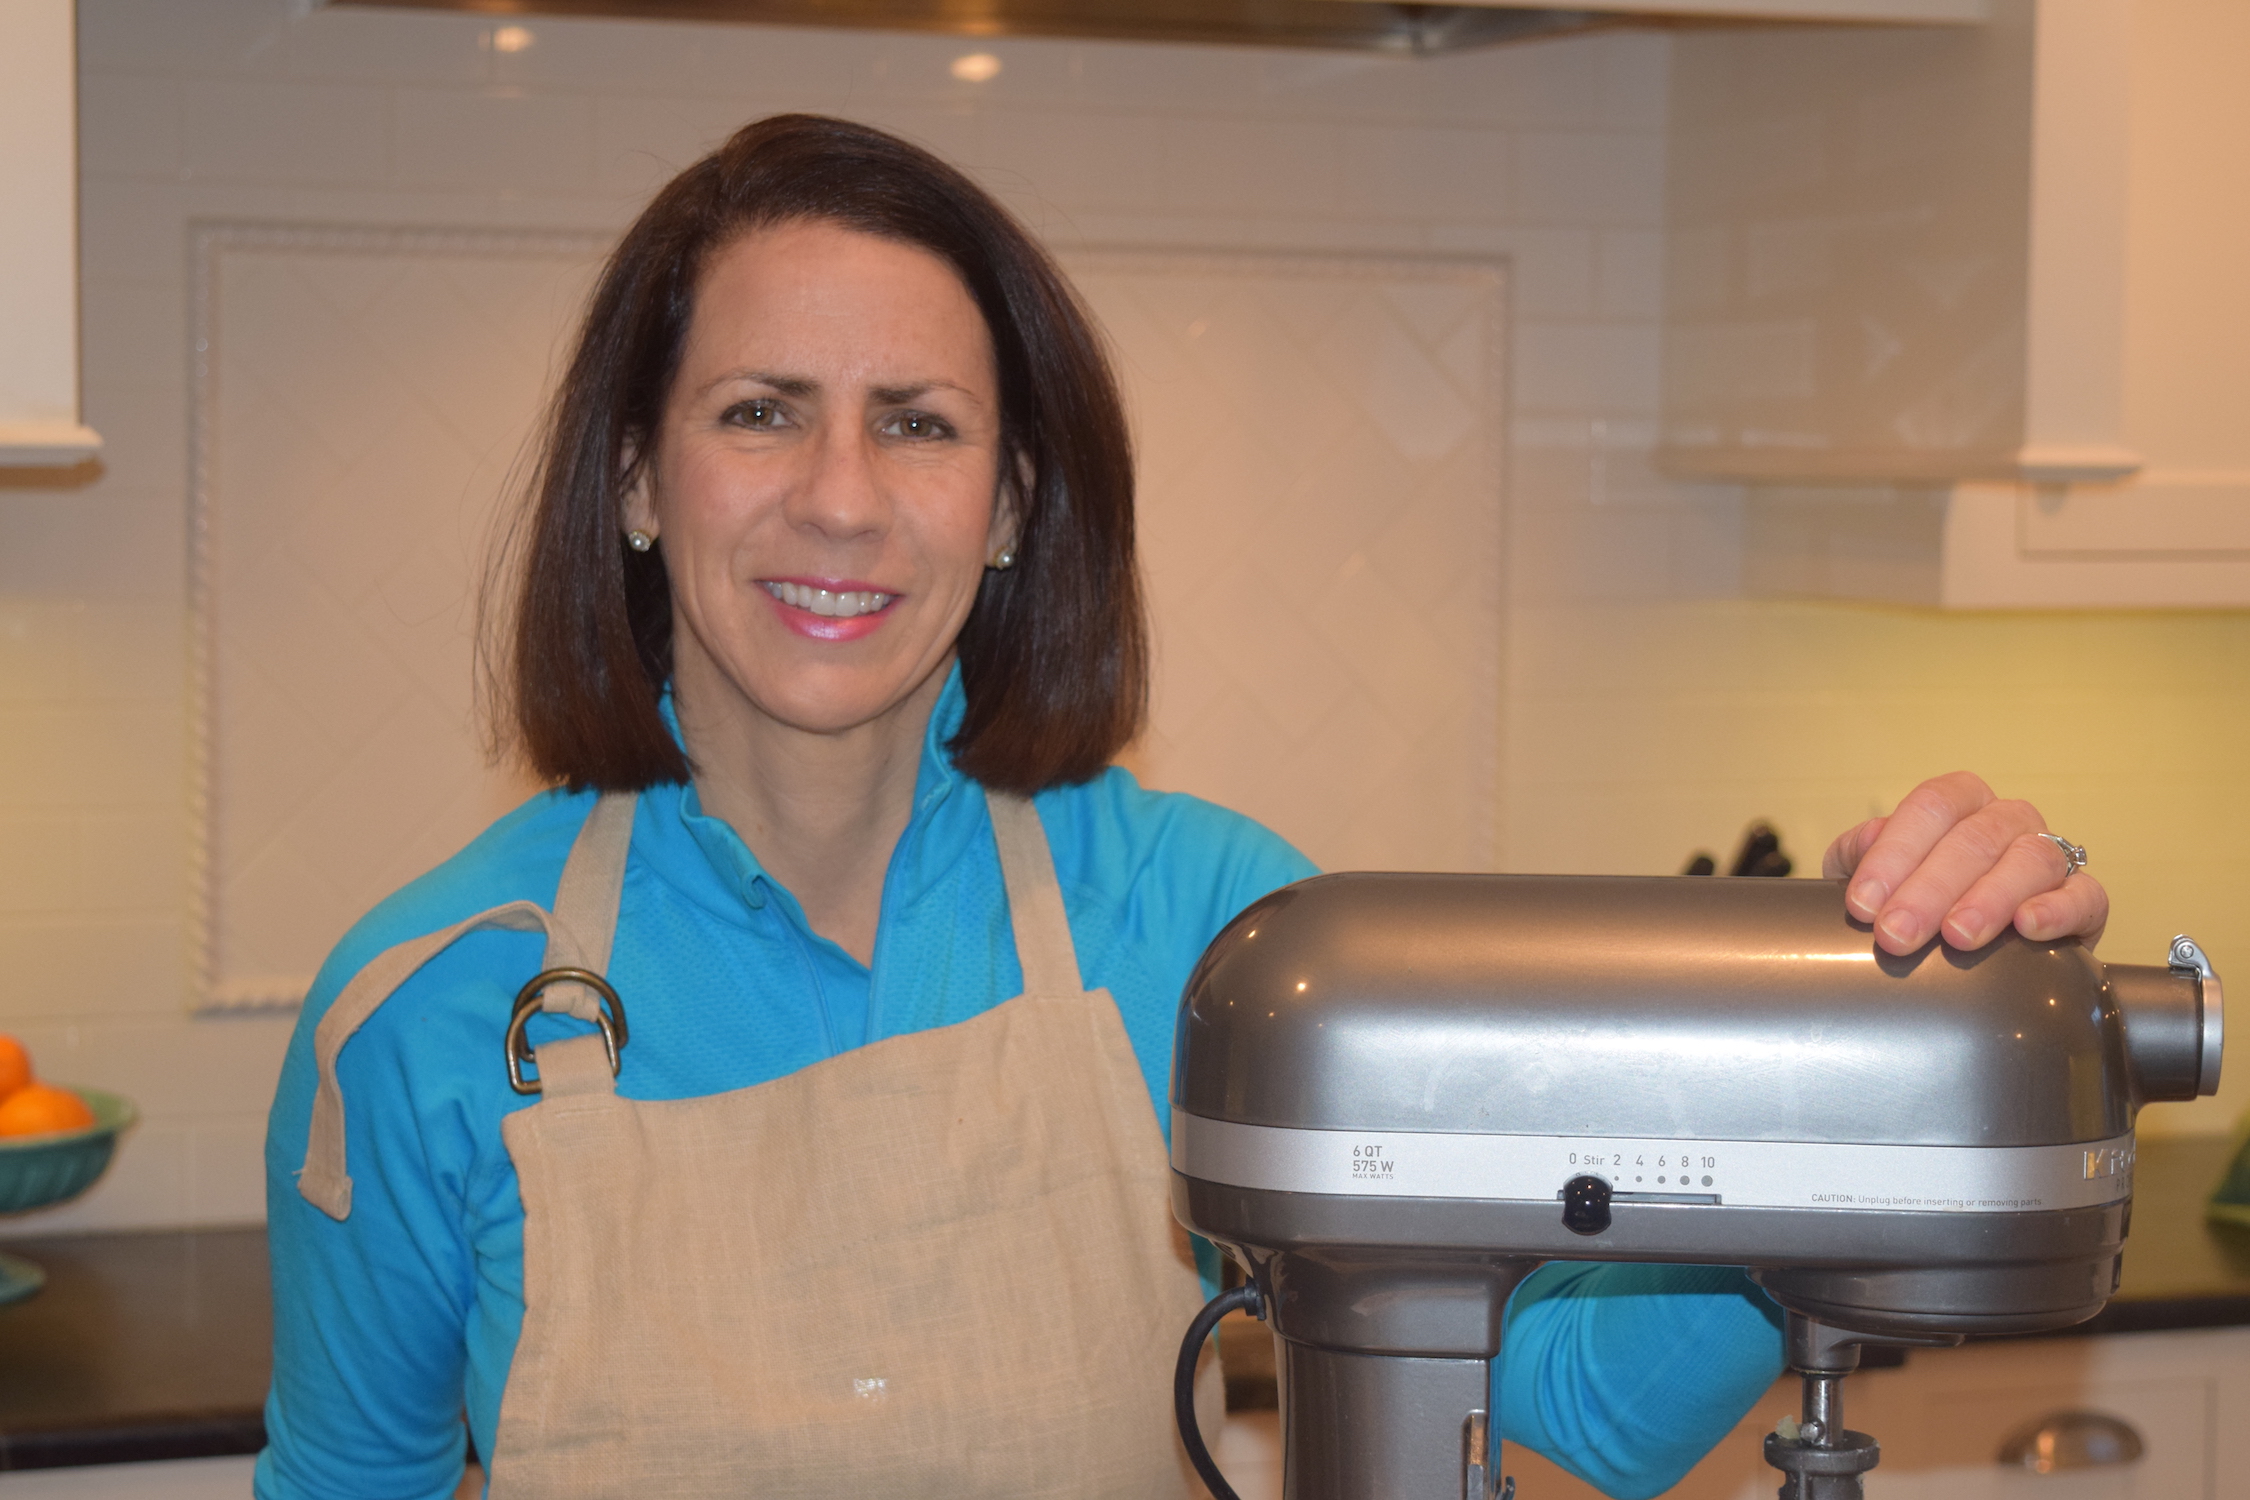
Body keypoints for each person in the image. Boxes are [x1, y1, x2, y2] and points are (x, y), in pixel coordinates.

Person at [256, 115, 2110, 1500]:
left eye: (917, 421)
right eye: (758, 411)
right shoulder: (426, 1007)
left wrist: (1863, 1033)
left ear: (1007, 504)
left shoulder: (1228, 945)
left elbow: (1575, 1408)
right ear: (639, 480)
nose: (839, 498)